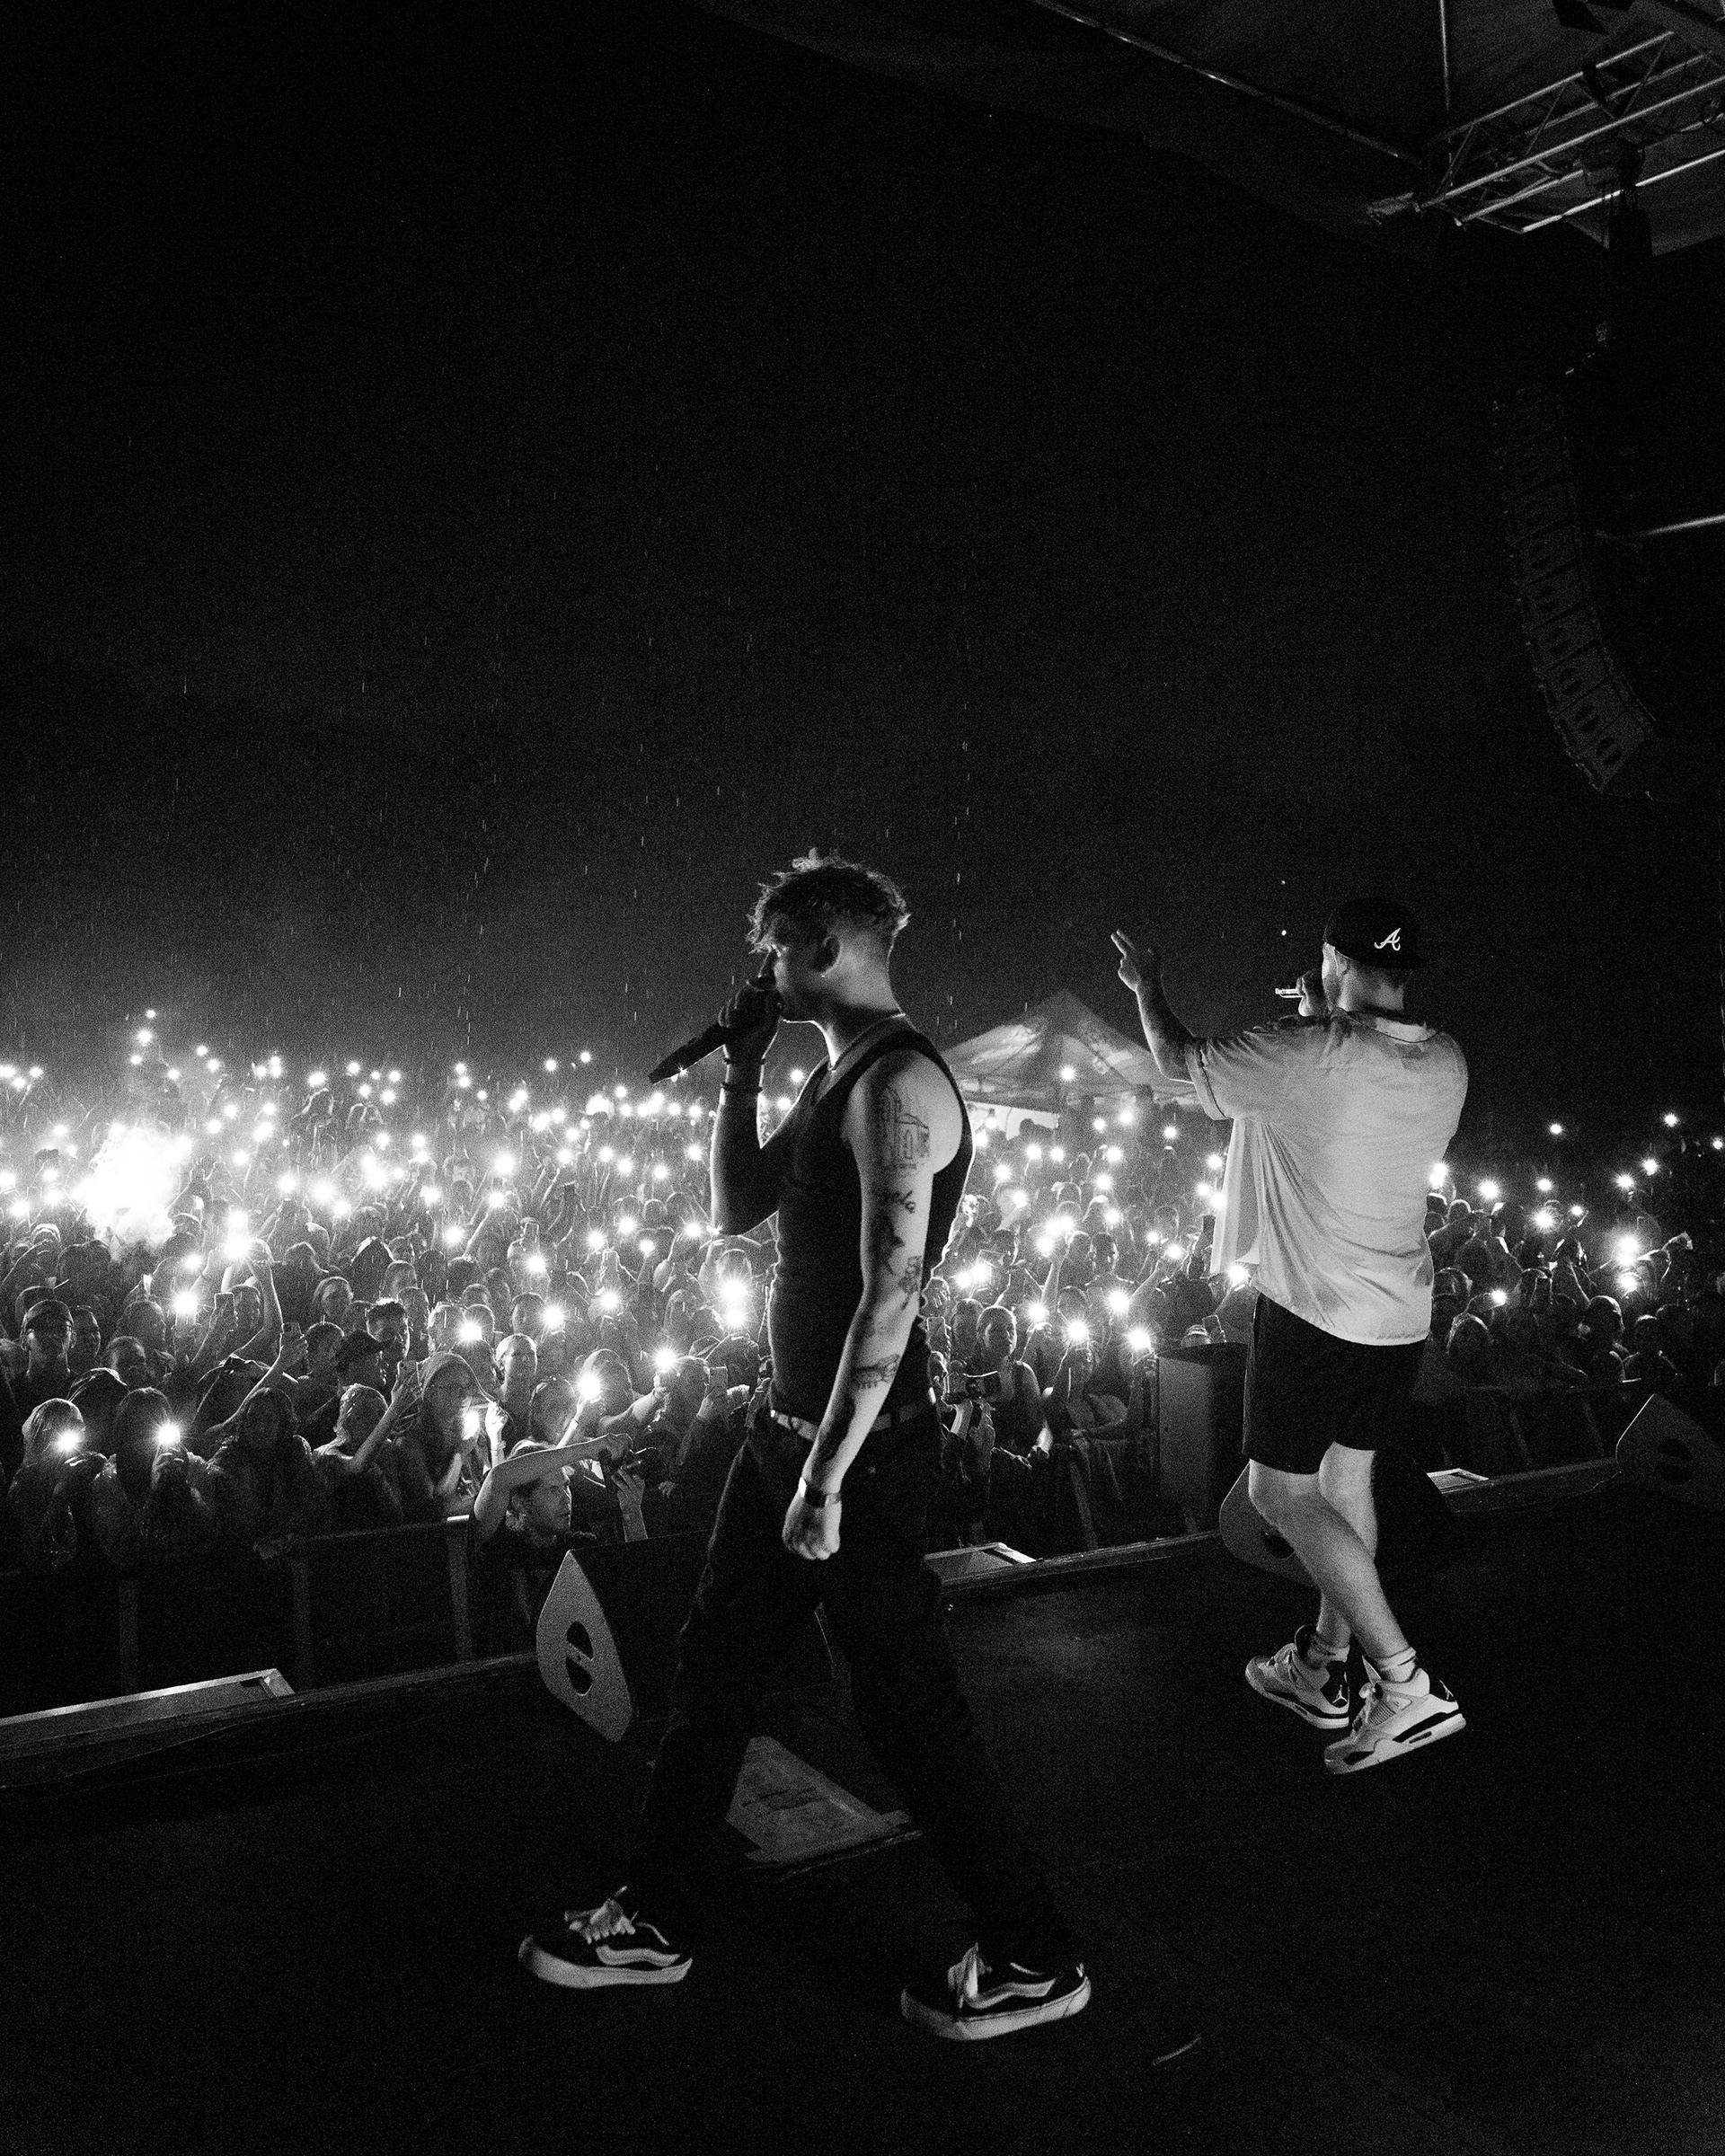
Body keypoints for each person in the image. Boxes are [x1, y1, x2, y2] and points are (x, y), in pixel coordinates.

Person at [522, 854, 1106, 2046]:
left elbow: (892, 1294)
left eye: (776, 952)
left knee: (904, 1708)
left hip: (859, 1457)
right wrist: (740, 1071)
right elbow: (734, 1207)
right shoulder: (834, 1072)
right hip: (784, 1436)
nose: (764, 974)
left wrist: (827, 1478)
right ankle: (656, 1915)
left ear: (824, 946)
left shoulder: (901, 1084)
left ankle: (1035, 1949)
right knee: (713, 1670)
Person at [1116, 896, 1469, 1774]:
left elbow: (1179, 1060)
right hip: (1398, 1317)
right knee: (1346, 1486)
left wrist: (1146, 986)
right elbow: (1347, 1084)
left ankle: (1405, 1684)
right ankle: (1322, 1666)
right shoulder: (1445, 1060)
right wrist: (1322, 1019)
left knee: (1278, 1495)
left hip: (1314, 1310)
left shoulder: (1307, 1051)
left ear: (1332, 959)